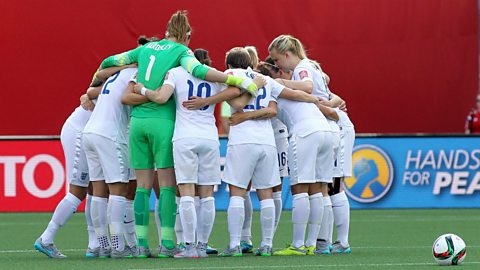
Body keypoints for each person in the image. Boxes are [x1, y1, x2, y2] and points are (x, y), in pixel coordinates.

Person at [101, 10, 265, 258]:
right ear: (187, 36)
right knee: (167, 187)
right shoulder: (182, 53)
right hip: (164, 123)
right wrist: (239, 83)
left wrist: (95, 80)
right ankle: (168, 244)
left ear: (166, 30)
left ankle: (141, 245)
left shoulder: (145, 49)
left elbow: (112, 60)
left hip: (137, 122)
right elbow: (199, 71)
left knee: (142, 188)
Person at [133, 48, 241, 258]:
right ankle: (203, 245)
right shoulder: (214, 74)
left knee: (187, 193)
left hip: (184, 138)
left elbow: (161, 97)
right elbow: (236, 91)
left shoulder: (176, 73)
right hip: (209, 138)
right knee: (207, 195)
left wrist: (142, 90)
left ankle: (189, 246)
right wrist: (209, 101)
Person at [33, 66, 129, 259]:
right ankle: (47, 238)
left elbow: (92, 91)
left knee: (95, 188)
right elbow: (92, 93)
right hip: (79, 131)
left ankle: (94, 244)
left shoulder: (121, 76)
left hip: (89, 132)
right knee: (78, 190)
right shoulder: (128, 76)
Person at [269, 34, 339, 256]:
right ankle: (311, 243)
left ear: (287, 55)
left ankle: (299, 245)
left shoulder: (296, 71)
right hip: (325, 130)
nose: (278, 65)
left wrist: (277, 81)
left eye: (277, 60)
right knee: (318, 189)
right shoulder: (309, 67)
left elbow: (307, 87)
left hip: (306, 132)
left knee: (299, 188)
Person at [82, 66, 138, 258]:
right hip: (110, 135)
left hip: (90, 132)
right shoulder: (136, 74)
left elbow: (96, 84)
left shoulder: (117, 73)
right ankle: (118, 246)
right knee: (118, 189)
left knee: (98, 191)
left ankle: (103, 245)